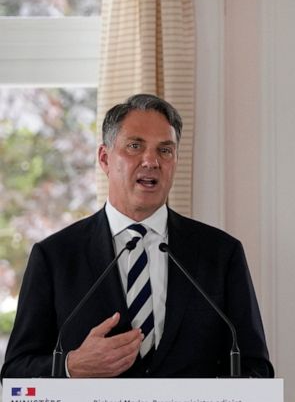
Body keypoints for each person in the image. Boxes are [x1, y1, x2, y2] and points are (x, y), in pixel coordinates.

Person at [1, 94, 273, 378]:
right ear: (105, 159)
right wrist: (70, 367)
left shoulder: (221, 253)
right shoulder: (55, 256)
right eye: (135, 146)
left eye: (165, 150)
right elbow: (15, 373)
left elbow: (256, 369)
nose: (151, 161)